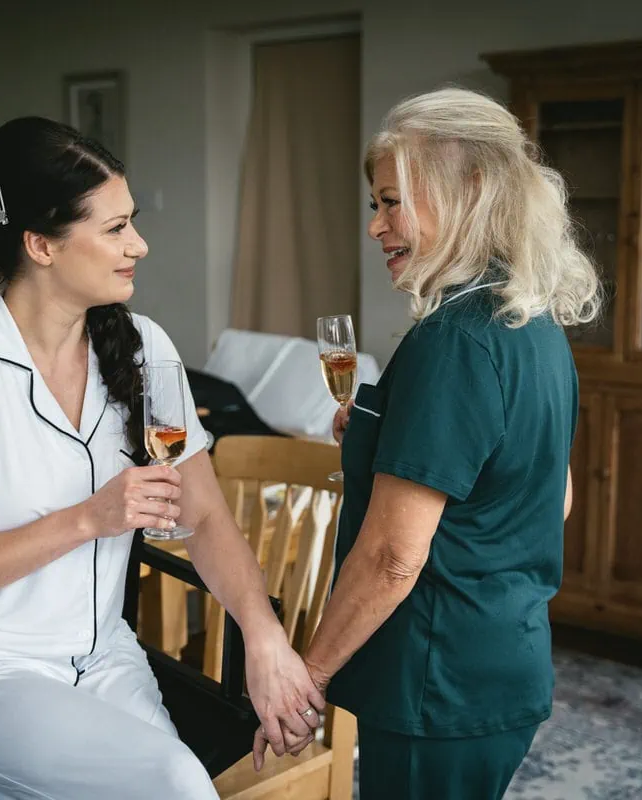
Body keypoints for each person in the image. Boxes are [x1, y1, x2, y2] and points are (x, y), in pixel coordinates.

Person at [0, 117, 324, 799]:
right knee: (175, 781)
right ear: (40, 245)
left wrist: (264, 638)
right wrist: (87, 519)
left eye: (131, 223)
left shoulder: (146, 347)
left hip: (103, 658)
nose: (138, 244)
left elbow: (203, 520)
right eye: (115, 229)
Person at [253, 87, 601, 797]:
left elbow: (389, 557)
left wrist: (308, 678)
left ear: (468, 191)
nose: (377, 227)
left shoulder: (454, 341)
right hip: (505, 661)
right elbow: (550, 497)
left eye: (392, 202)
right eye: (374, 205)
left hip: (435, 679)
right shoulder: (531, 321)